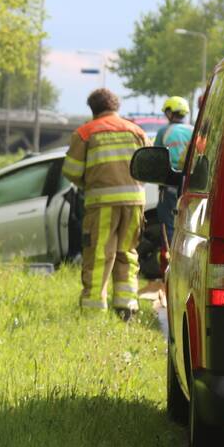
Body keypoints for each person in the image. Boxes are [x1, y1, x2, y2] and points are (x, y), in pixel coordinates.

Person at [62, 88, 150, 318]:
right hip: (134, 202)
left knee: (100, 252)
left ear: (93, 110)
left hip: (102, 203)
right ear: (115, 107)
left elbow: (71, 171)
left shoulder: (85, 133)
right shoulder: (137, 131)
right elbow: (150, 165)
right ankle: (126, 306)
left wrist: (89, 183)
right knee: (127, 252)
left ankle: (93, 310)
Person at [155, 96, 193, 246]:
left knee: (168, 225)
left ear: (170, 113)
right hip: (192, 184)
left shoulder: (164, 131)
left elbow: (156, 156)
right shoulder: (194, 129)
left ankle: (170, 257)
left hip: (170, 184)